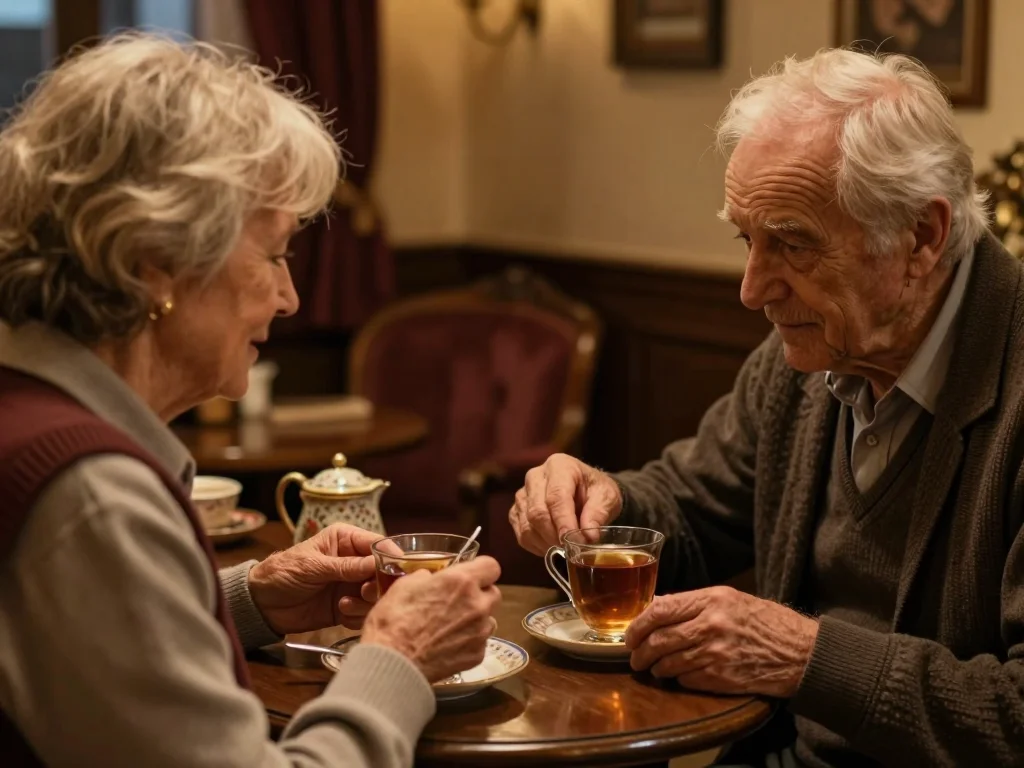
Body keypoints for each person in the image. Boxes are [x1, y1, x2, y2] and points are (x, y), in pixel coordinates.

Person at [510, 48, 1024, 767]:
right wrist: (605, 496)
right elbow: (691, 510)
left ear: (922, 237)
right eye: (748, 240)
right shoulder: (805, 368)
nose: (752, 290)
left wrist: (803, 656)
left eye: (792, 245)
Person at [0, 33, 501, 767]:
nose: (290, 297)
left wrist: (250, 598)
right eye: (272, 254)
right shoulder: (89, 496)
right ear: (157, 268)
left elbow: (81, 649)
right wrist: (398, 657)